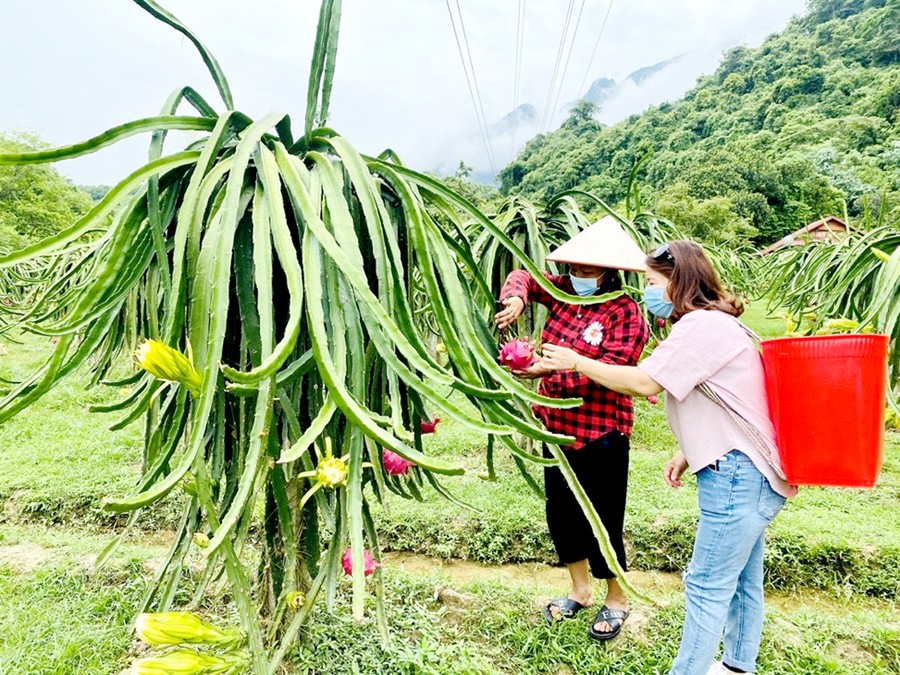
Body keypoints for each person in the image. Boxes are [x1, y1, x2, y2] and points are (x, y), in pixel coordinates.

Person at [539, 240, 797, 675]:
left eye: (653, 282)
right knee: (742, 583)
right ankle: (737, 666)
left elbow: (645, 383)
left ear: (679, 282)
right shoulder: (719, 323)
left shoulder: (702, 327)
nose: (647, 292)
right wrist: (686, 449)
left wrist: (577, 362)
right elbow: (730, 398)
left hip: (736, 475)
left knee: (706, 585)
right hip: (747, 469)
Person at [494, 217, 650, 641]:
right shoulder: (560, 289)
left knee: (604, 520)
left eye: (588, 270)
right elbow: (521, 274)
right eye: (574, 267)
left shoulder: (626, 311)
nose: (578, 276)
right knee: (562, 516)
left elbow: (617, 371)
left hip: (603, 432)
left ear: (610, 270)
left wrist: (555, 366)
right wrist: (517, 299)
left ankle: (616, 598)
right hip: (555, 428)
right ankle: (580, 592)